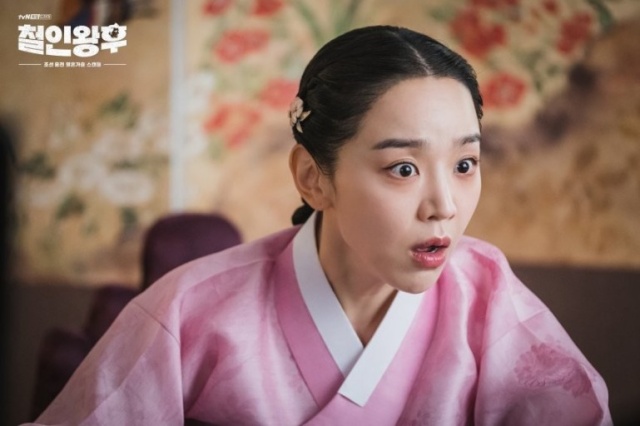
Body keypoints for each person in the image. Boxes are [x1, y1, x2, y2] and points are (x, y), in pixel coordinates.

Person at [27, 26, 611, 425]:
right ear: (313, 178)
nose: (444, 206)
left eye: (464, 165)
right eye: (403, 168)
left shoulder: (489, 297)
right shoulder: (187, 310)